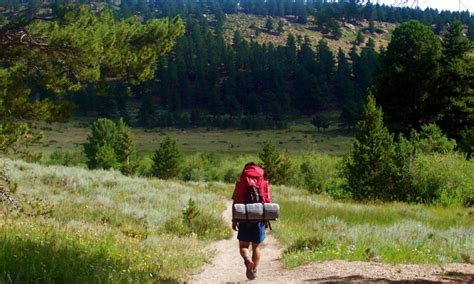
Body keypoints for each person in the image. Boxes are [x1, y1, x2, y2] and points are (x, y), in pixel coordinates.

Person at [231, 162, 271, 280]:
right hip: (259, 217)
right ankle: (254, 269)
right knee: (256, 247)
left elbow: (235, 202)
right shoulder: (263, 182)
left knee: (243, 246)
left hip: (243, 217)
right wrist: (267, 220)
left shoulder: (241, 183)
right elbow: (267, 201)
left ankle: (247, 260)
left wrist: (234, 220)